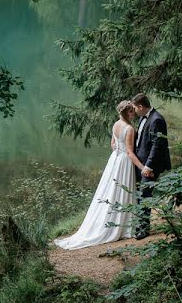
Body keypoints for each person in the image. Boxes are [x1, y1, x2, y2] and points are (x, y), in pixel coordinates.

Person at [54, 100, 146, 249]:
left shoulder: (116, 124)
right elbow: (129, 152)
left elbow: (113, 144)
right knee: (122, 190)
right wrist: (142, 167)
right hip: (124, 162)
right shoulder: (129, 128)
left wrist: (118, 149)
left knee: (112, 190)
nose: (134, 113)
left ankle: (119, 221)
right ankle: (125, 225)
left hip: (115, 160)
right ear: (128, 112)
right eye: (132, 111)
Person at [131, 93, 171, 239]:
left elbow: (157, 145)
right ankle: (140, 225)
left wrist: (148, 166)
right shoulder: (143, 117)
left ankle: (144, 229)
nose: (134, 111)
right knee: (140, 194)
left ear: (141, 107)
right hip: (141, 163)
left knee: (145, 195)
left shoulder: (157, 120)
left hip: (150, 165)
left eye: (135, 108)